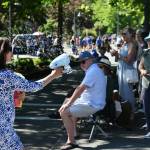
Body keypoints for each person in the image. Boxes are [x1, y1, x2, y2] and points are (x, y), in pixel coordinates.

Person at [0, 37, 63, 150]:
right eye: (10, 49)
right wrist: (53, 75)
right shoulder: (7, 76)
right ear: (4, 52)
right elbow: (33, 86)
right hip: (3, 129)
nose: (12, 52)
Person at [59, 51, 106, 150]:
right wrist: (69, 102)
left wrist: (68, 104)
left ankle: (71, 141)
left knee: (64, 112)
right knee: (67, 102)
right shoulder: (93, 69)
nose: (81, 64)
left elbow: (80, 89)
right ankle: (73, 134)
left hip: (92, 104)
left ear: (91, 60)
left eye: (83, 62)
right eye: (80, 63)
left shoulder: (93, 71)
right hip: (89, 101)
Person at [111, 27, 138, 122]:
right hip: (121, 70)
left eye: (125, 33)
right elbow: (118, 59)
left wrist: (118, 55)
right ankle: (125, 112)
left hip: (127, 71)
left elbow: (129, 60)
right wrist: (115, 55)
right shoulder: (124, 44)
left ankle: (131, 112)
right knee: (122, 92)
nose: (123, 35)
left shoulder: (132, 44)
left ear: (131, 34)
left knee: (128, 92)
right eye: (122, 34)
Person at [138, 33, 150, 138]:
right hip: (146, 84)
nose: (149, 42)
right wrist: (142, 70)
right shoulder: (145, 53)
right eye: (148, 40)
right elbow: (140, 65)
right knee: (146, 108)